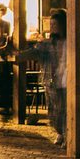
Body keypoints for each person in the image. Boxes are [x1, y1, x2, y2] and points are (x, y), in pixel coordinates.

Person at [23, 9, 69, 147]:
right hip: (52, 80)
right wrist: (17, 55)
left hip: (67, 79)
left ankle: (68, 135)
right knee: (54, 110)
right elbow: (34, 52)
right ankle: (60, 132)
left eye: (56, 24)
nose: (53, 27)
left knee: (67, 109)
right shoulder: (48, 44)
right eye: (51, 24)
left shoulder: (70, 41)